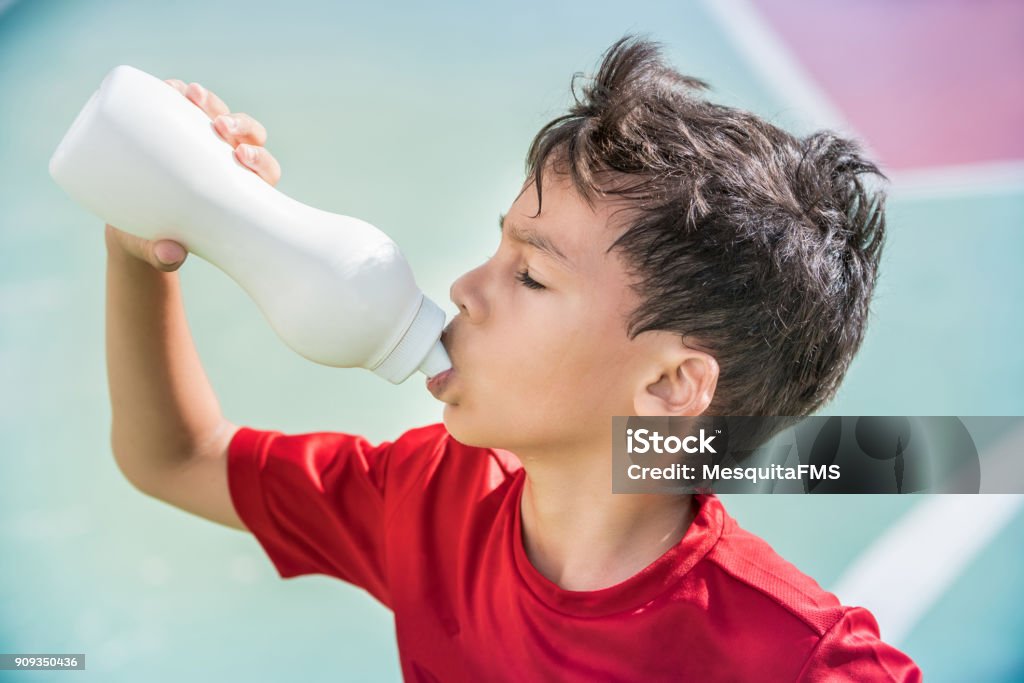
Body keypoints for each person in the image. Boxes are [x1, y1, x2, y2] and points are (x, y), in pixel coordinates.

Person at [106, 36, 922, 681]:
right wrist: (141, 237)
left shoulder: (798, 657)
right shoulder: (433, 496)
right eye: (497, 248)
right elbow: (176, 457)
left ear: (672, 383)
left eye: (529, 273)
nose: (463, 287)